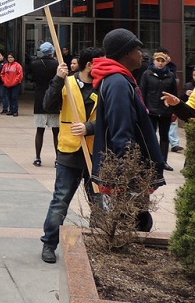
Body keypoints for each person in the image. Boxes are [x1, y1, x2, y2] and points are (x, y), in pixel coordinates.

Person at [91, 28, 166, 231]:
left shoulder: (120, 79)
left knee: (134, 222)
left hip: (126, 172)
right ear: (126, 53)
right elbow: (121, 129)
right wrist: (127, 171)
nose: (141, 54)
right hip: (125, 175)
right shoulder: (117, 82)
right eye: (137, 49)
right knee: (129, 225)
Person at [39, 46, 104, 264]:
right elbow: (48, 105)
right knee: (60, 200)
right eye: (100, 62)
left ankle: (99, 243)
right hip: (69, 151)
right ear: (90, 65)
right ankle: (49, 243)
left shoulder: (104, 86)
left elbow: (111, 118)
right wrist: (57, 79)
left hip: (95, 153)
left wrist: (90, 127)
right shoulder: (68, 83)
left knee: (99, 201)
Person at [139, 49, 177, 171]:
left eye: (162, 61)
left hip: (165, 111)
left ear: (166, 62)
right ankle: (151, 160)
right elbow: (142, 92)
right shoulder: (147, 74)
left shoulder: (170, 76)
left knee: (164, 137)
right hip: (151, 110)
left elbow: (174, 94)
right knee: (151, 135)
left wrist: (174, 110)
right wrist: (143, 108)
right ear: (154, 61)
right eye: (158, 60)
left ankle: (163, 161)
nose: (160, 63)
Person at [31, 42, 60, 166]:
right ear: (52, 51)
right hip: (54, 98)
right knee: (56, 131)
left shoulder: (35, 64)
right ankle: (58, 159)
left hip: (40, 98)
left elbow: (31, 78)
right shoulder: (57, 64)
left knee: (40, 130)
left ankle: (38, 157)